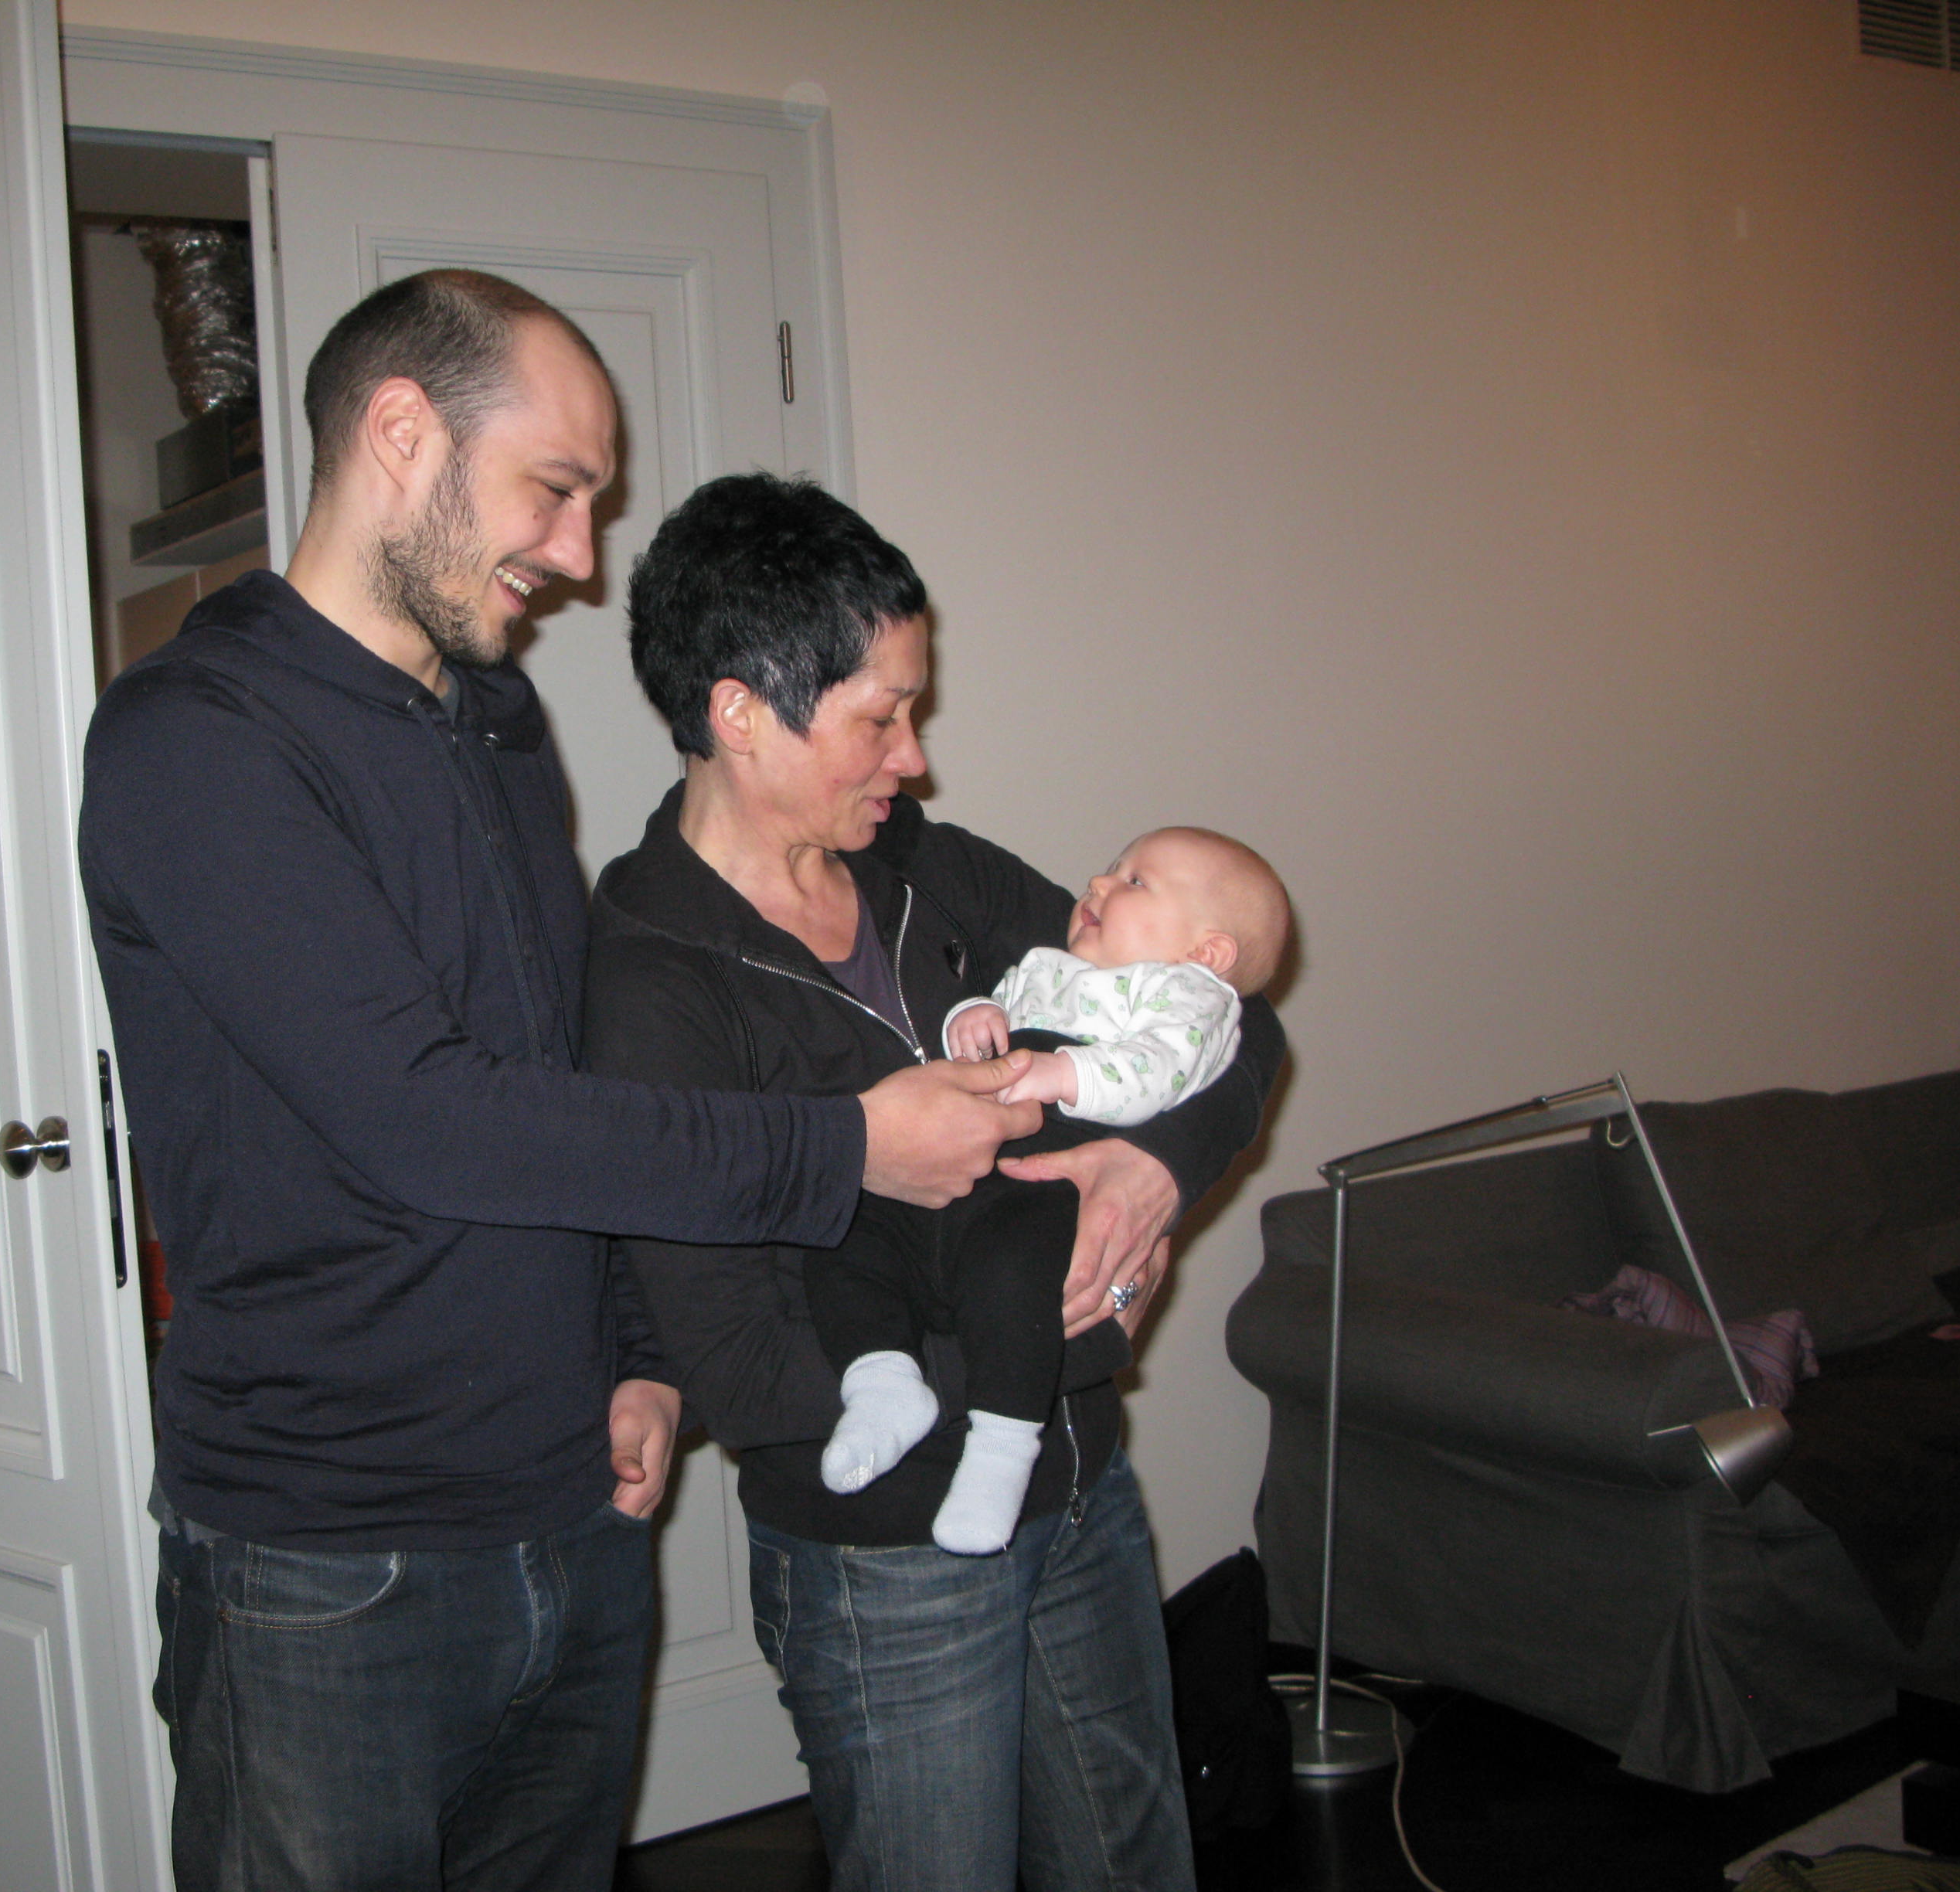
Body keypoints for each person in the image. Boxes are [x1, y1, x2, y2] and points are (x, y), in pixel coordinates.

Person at [76, 271, 1039, 1892]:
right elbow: (427, 1117)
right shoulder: (198, 739)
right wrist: (842, 1148)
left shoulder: (499, 722)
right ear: (402, 434)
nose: (582, 556)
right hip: (334, 1559)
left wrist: (642, 1355)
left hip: (577, 1509)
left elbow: (559, 1057)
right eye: (557, 488)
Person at [584, 471, 1287, 1891]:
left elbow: (1223, 1019)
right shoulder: (652, 980)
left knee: (1131, 1865)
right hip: (887, 1555)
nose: (913, 758)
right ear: (739, 712)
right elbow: (737, 1356)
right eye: (880, 717)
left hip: (1078, 1493)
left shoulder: (931, 871)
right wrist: (1019, 1348)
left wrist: (1149, 1172)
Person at [812, 826, 1294, 1554]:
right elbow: (990, 1021)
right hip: (956, 1180)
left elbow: (1158, 1068)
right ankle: (882, 1382)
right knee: (849, 1239)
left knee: (1016, 1283)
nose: (1098, 884)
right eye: (1110, 868)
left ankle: (1001, 1451)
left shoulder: (1188, 997)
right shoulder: (1050, 965)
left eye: (1135, 881)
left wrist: (1062, 1075)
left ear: (1207, 954)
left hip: (1041, 1184)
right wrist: (973, 1016)